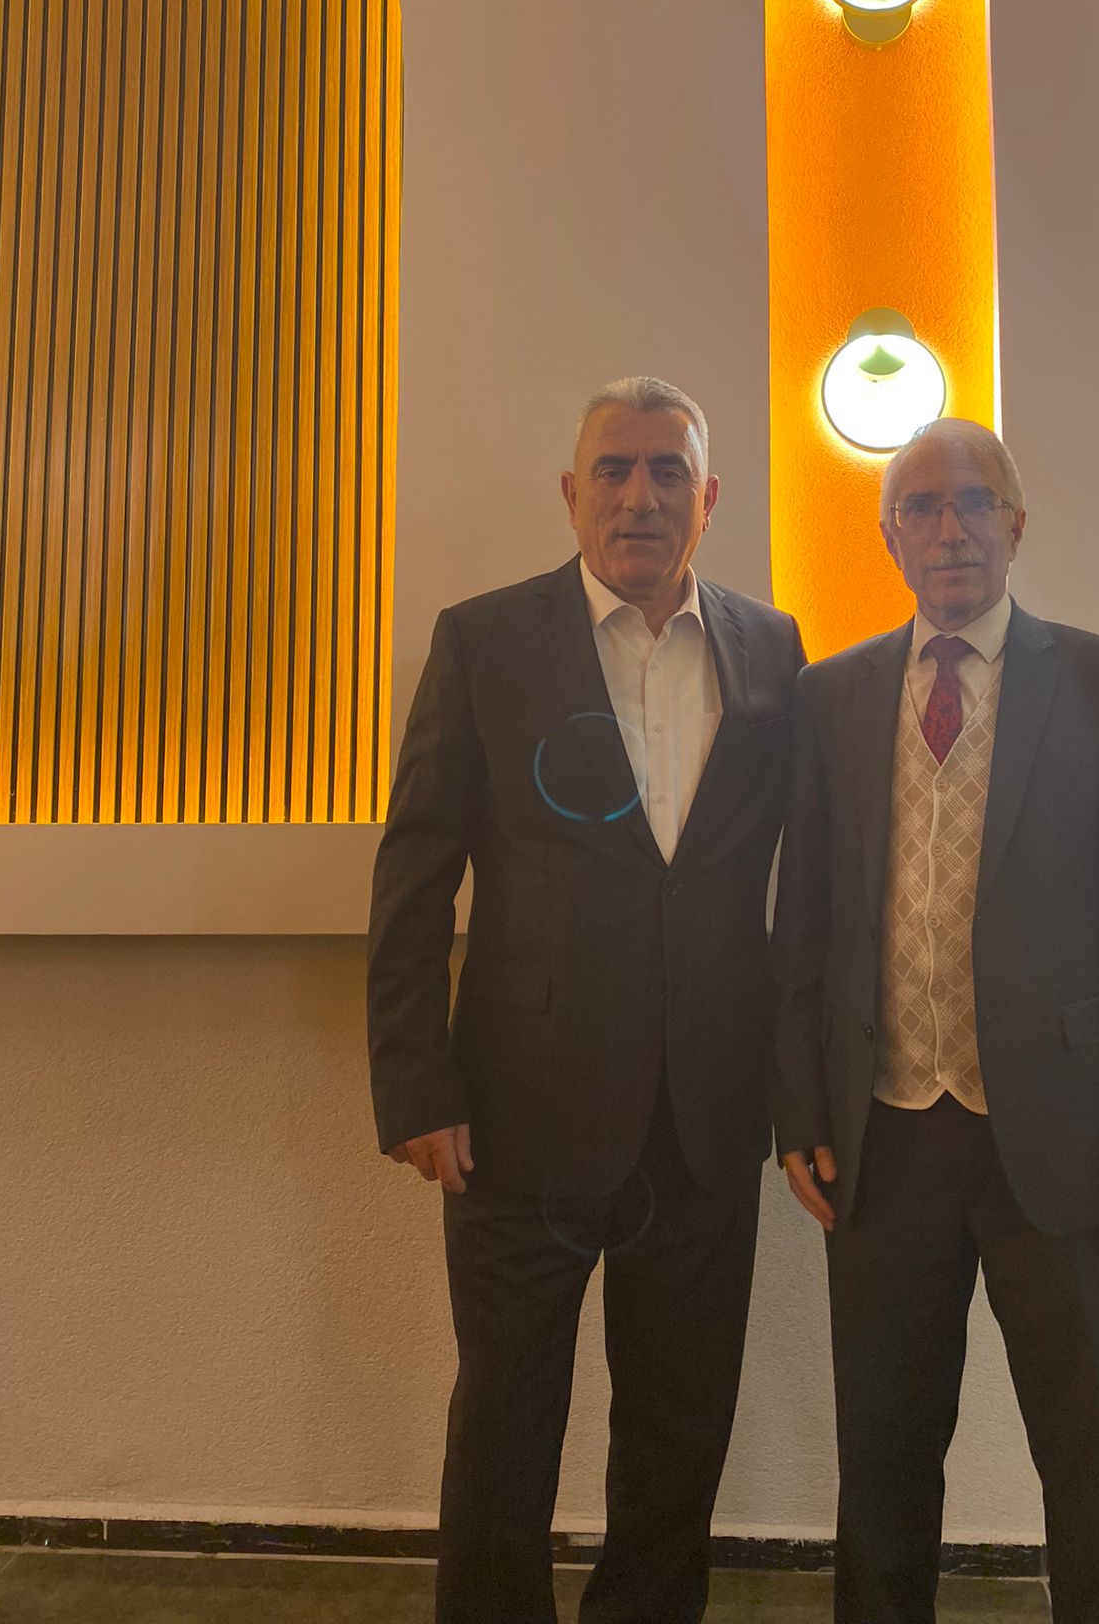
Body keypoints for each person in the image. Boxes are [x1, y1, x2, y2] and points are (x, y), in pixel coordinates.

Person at [367, 375, 805, 1624]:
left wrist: (802, 1094)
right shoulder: (484, 639)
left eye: (668, 470)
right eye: (614, 468)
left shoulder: (773, 649)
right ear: (572, 493)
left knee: (679, 1429)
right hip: (515, 1115)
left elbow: (806, 886)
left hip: (705, 1116)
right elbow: (415, 876)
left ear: (709, 497)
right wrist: (416, 1082)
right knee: (506, 1421)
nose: (639, 494)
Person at [772, 416, 1099, 1624]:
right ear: (889, 537)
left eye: (974, 501)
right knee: (882, 1466)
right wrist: (798, 1109)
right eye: (921, 506)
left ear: (1016, 524)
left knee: (1091, 1462)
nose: (950, 526)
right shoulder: (831, 695)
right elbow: (804, 922)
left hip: (1070, 1146)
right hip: (883, 1140)